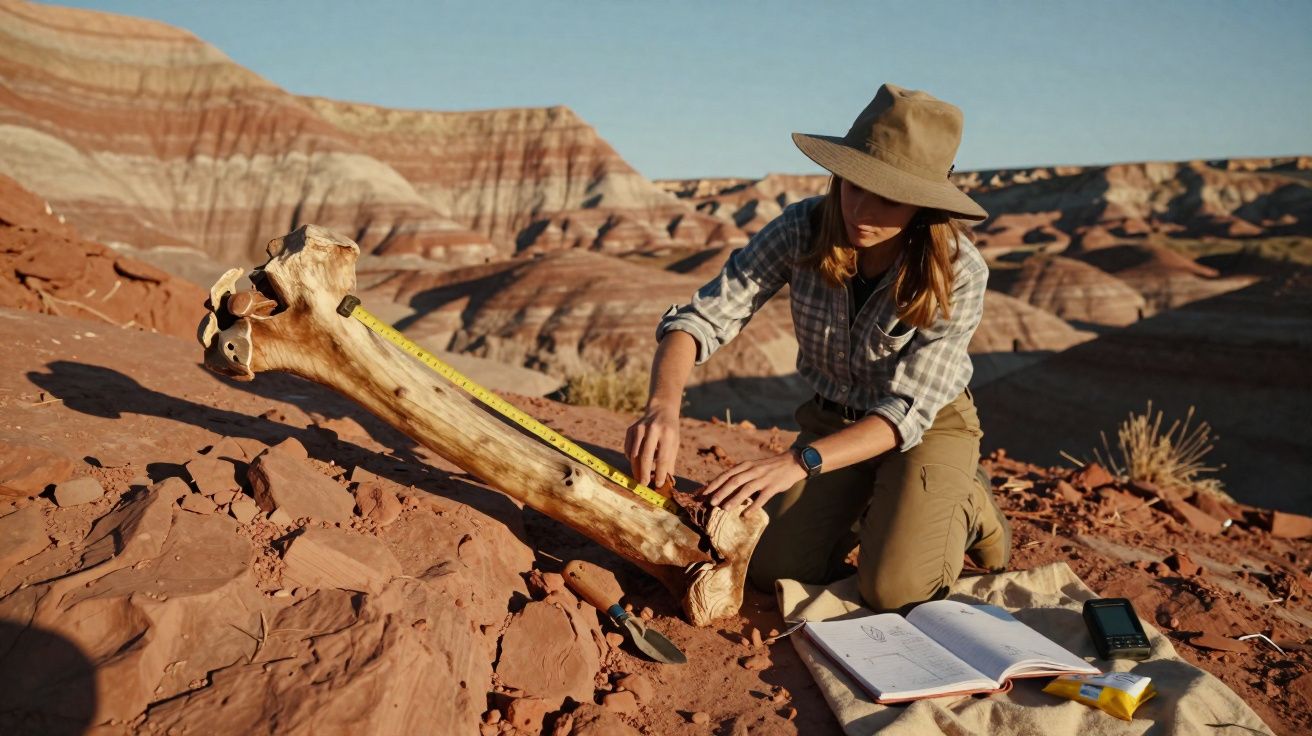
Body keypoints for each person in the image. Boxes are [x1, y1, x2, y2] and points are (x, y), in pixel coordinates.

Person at [624, 82, 1010, 614]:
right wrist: (662, 407)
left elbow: (906, 412)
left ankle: (965, 498)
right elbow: (703, 316)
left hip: (925, 428)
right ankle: (881, 503)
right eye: (854, 185)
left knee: (895, 592)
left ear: (923, 205)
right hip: (834, 424)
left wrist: (798, 462)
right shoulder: (802, 228)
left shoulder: (959, 272)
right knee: (771, 570)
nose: (862, 210)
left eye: (889, 198)